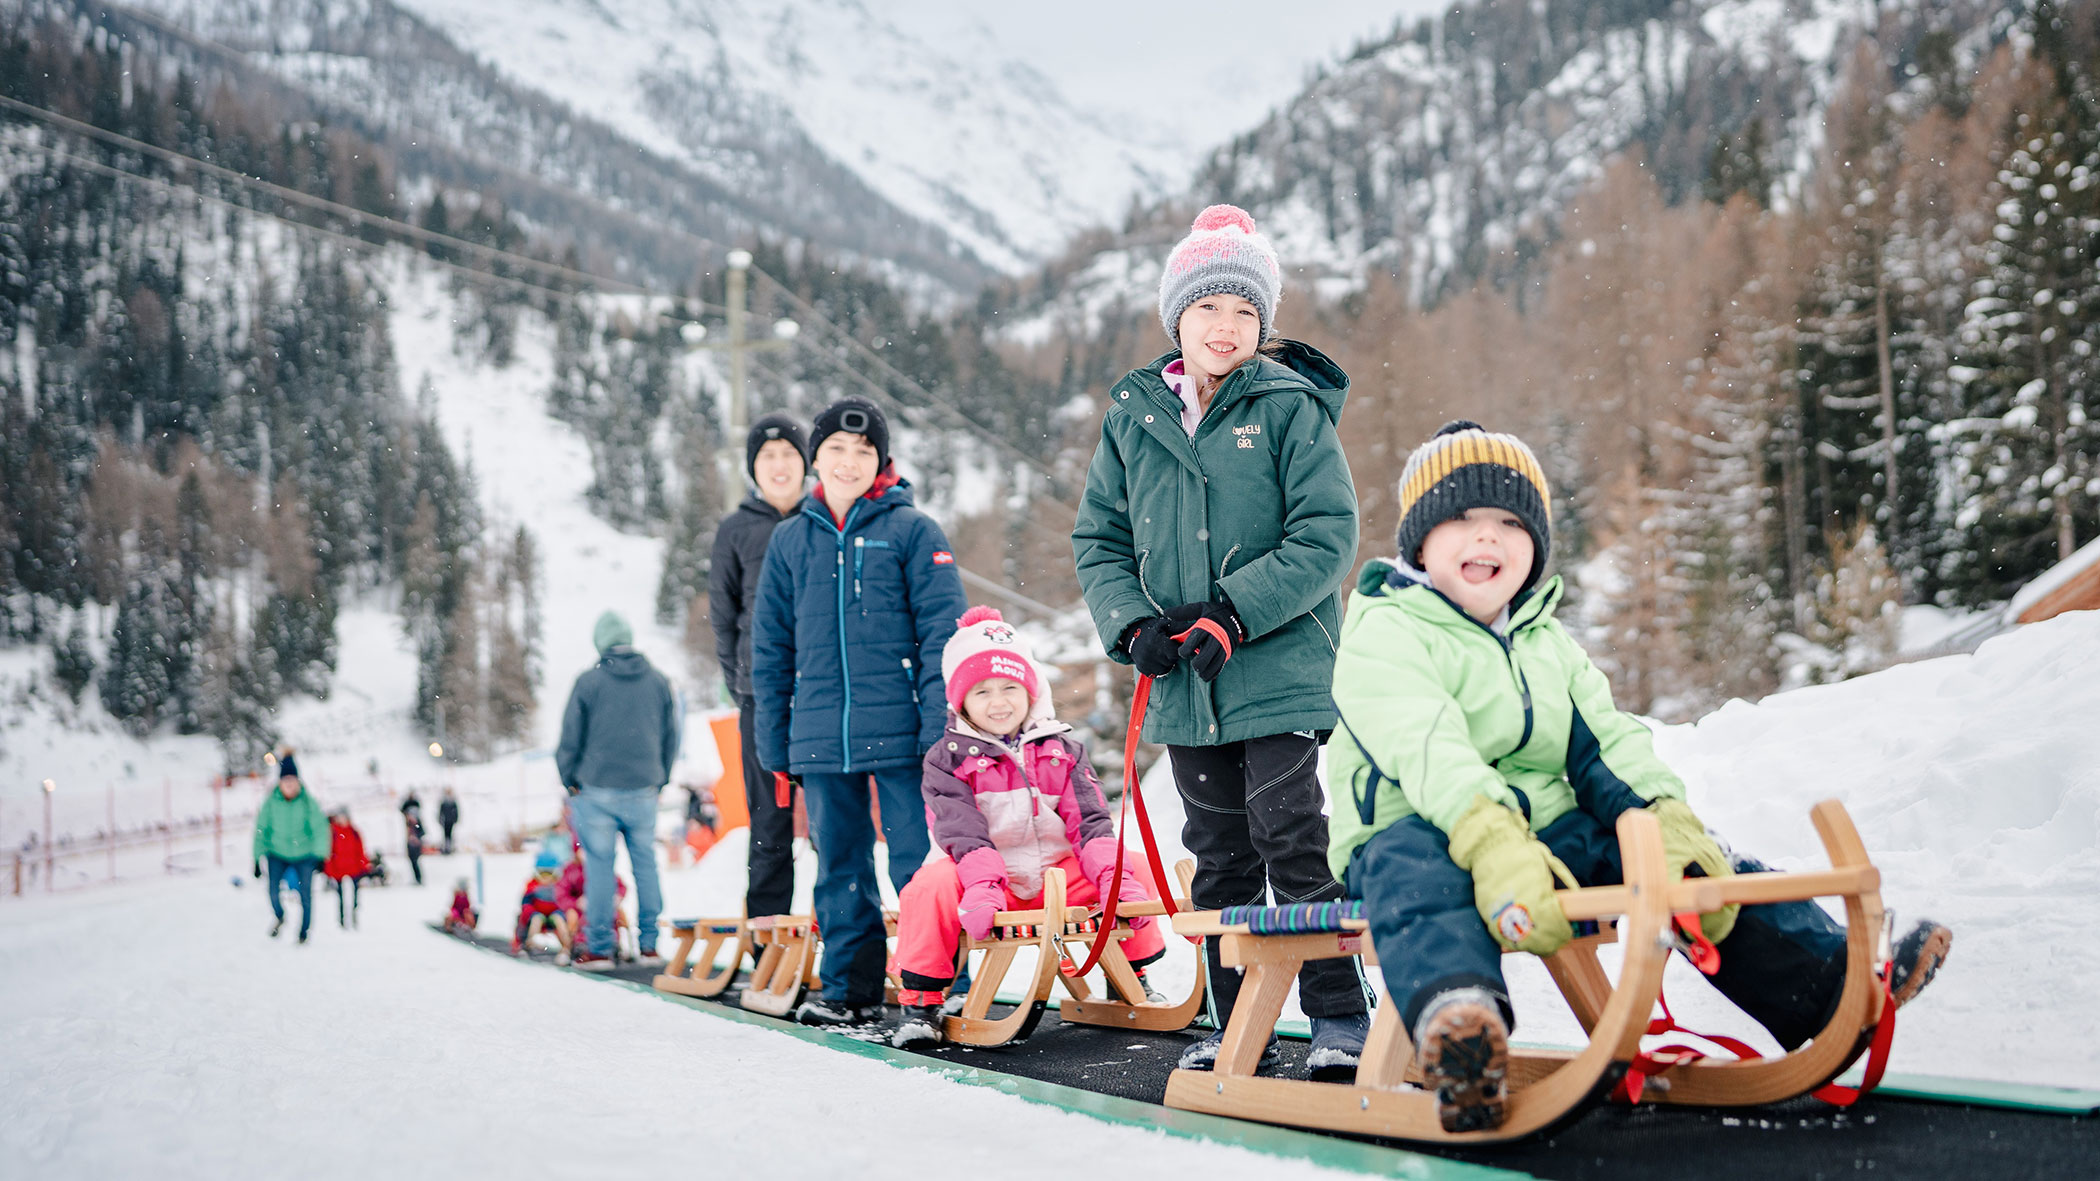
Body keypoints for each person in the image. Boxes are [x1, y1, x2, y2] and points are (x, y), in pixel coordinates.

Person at [1327, 420, 1956, 1132]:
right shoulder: (1387, 626)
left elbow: (1604, 742)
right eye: (1462, 519)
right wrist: (1491, 837)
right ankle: (1460, 1025)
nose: (1487, 538)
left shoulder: (1545, 642)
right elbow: (1425, 744)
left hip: (1541, 831)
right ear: (1419, 541)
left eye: (1509, 521)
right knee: (1419, 874)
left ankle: (1830, 982)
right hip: (1416, 823)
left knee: (1684, 860)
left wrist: (1658, 814)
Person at [1071, 204, 1370, 1076]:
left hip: (1276, 664)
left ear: (1263, 324)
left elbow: (1326, 535)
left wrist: (1233, 611)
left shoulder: (1289, 408)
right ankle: (1234, 1021)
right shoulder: (1133, 418)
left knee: (1290, 837)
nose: (1226, 326)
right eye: (1208, 308)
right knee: (1220, 856)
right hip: (1186, 686)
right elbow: (1099, 539)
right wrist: (1131, 622)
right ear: (1178, 317)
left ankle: (1339, 1015)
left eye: (1244, 311)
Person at [751, 396, 967, 1026]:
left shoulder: (912, 531)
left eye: (863, 451)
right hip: (820, 737)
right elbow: (771, 651)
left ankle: (939, 984)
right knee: (839, 866)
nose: (848, 462)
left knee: (919, 864)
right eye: (836, 450)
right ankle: (850, 988)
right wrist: (776, 744)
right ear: (815, 457)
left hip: (905, 735)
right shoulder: (791, 541)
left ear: (882, 460)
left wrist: (939, 729)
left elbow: (944, 639)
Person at [890, 608, 1168, 1048]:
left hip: (1056, 875)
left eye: (1009, 688)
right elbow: (961, 832)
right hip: (981, 878)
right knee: (927, 888)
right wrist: (982, 883)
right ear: (960, 701)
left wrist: (1110, 874)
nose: (998, 701)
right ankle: (920, 1001)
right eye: (981, 691)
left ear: (1030, 691)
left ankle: (1132, 976)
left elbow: (1090, 822)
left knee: (1128, 865)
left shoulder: (1063, 750)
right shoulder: (947, 760)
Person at [710, 411, 810, 919]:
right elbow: (723, 615)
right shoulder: (735, 529)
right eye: (767, 456)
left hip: (821, 694)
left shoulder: (823, 518)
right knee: (769, 822)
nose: (778, 464)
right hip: (762, 700)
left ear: (805, 462)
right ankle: (768, 933)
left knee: (834, 822)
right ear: (753, 466)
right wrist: (740, 682)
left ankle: (843, 937)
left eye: (788, 454)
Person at [555, 609, 679, 969]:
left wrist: (570, 780)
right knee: (646, 865)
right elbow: (671, 736)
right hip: (644, 787)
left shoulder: (588, 682)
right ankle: (650, 945)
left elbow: (569, 738)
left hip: (596, 790)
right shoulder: (657, 681)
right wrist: (661, 777)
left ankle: (599, 948)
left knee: (600, 869)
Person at [252, 753, 329, 944]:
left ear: (298, 782)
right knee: (272, 891)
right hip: (277, 853)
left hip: (304, 854)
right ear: (279, 783)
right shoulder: (270, 802)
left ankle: (304, 931)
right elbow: (261, 830)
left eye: (292, 782)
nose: (289, 786)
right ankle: (279, 915)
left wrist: (321, 855)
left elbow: (319, 828)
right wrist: (256, 857)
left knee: (306, 896)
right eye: (285, 782)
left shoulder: (307, 801)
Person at [322, 808, 372, 929]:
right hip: (338, 870)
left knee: (354, 896)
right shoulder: (332, 832)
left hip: (354, 869)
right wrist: (329, 870)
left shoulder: (354, 832)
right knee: (341, 897)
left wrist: (364, 866)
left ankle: (354, 916)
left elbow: (360, 850)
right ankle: (342, 920)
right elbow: (328, 852)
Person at [512, 850, 567, 957]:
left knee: (559, 920)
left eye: (549, 874)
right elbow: (526, 903)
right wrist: (531, 912)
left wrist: (562, 911)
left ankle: (567, 947)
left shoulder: (559, 886)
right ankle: (529, 944)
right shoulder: (532, 885)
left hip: (554, 913)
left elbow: (564, 902)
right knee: (536, 920)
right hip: (536, 914)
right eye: (542, 873)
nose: (545, 878)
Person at [399, 790, 426, 886]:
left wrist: (416, 839)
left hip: (414, 844)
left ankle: (418, 878)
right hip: (411, 843)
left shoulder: (415, 822)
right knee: (413, 861)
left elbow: (422, 832)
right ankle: (417, 878)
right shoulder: (410, 822)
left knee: (414, 861)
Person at [438, 787, 460, 854]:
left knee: (450, 835)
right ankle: (446, 848)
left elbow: (456, 811)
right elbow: (441, 812)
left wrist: (455, 819)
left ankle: (449, 848)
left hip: (450, 821)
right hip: (445, 821)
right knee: (445, 835)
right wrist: (440, 819)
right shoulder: (444, 801)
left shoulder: (452, 801)